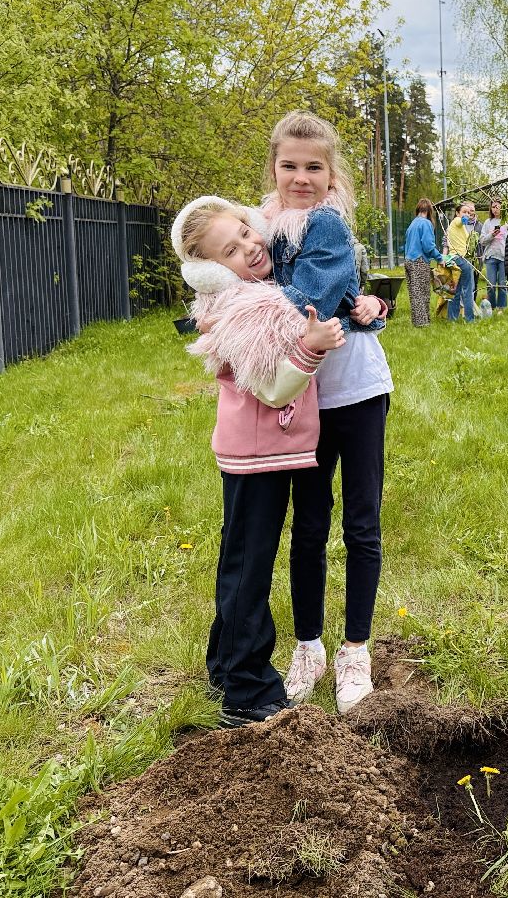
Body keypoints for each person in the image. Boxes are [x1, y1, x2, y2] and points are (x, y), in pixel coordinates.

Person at [170, 196, 347, 728]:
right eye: (231, 249)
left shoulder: (253, 294)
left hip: (262, 451)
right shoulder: (241, 309)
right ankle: (248, 689)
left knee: (240, 559)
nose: (250, 245)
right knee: (250, 568)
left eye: (247, 231)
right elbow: (270, 388)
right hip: (256, 454)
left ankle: (225, 665)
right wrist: (311, 347)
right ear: (208, 271)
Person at [262, 110, 392, 715]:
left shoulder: (330, 225)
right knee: (309, 523)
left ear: (331, 173)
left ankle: (355, 651)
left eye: (314, 167)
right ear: (274, 167)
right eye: (290, 165)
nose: (301, 177)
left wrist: (373, 308)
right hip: (303, 395)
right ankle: (308, 647)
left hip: (357, 391)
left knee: (360, 521)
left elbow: (312, 295)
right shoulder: (262, 229)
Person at [403, 198, 440, 328]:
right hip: (419, 261)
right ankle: (423, 323)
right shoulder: (425, 223)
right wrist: (440, 258)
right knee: (422, 292)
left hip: (408, 260)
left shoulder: (412, 224)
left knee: (414, 293)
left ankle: (417, 322)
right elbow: (428, 246)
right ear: (429, 211)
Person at [443, 201, 478, 323]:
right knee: (468, 289)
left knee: (455, 291)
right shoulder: (457, 222)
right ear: (457, 213)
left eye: (469, 212)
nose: (467, 214)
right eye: (464, 212)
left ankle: (452, 318)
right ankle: (470, 319)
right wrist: (464, 218)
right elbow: (461, 221)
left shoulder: (457, 226)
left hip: (453, 259)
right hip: (461, 259)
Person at [479, 200, 508, 313]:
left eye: (497, 207)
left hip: (503, 257)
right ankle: (491, 307)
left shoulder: (507, 223)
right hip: (490, 256)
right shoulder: (488, 222)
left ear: (502, 208)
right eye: (493, 207)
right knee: (490, 284)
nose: (495, 209)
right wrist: (492, 235)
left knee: (502, 284)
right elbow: (482, 241)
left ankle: (501, 308)